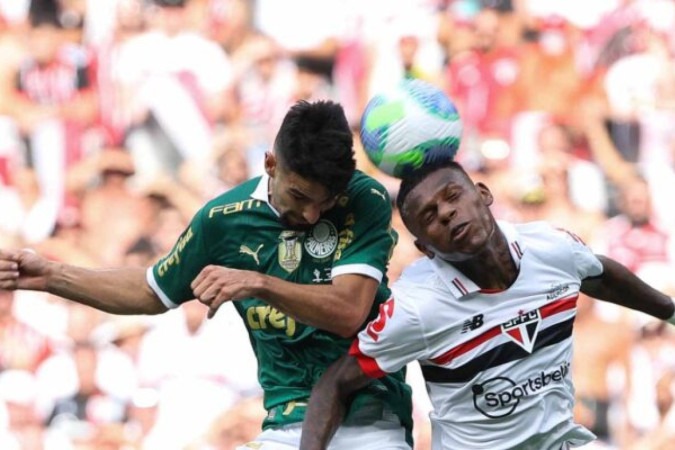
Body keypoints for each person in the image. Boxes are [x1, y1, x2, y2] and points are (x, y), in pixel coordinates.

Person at [0, 100, 413, 449]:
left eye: (324, 202)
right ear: (270, 164)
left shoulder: (364, 197)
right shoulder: (223, 220)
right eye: (300, 197)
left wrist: (257, 282)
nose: (310, 215)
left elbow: (348, 311)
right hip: (287, 424)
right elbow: (149, 291)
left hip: (369, 419)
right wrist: (51, 276)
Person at [299, 160, 675, 450]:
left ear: (483, 193)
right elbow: (334, 383)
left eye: (452, 195)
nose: (446, 212)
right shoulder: (417, 307)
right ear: (425, 248)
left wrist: (669, 311)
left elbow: (600, 273)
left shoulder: (552, 249)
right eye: (429, 216)